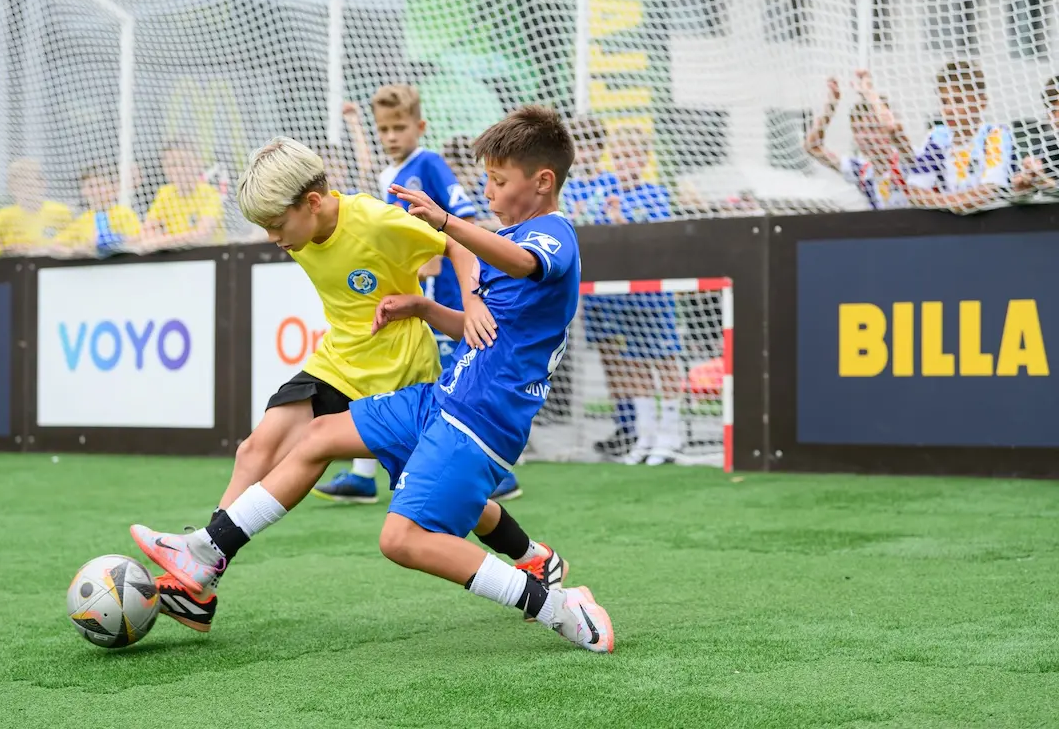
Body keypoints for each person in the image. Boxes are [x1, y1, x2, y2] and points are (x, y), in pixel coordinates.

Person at [131, 106, 613, 653]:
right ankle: (206, 552)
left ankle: (557, 605)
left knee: (402, 538)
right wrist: (423, 308)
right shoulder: (513, 236)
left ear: (543, 182)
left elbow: (519, 262)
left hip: (477, 423)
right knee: (318, 436)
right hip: (440, 400)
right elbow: (486, 333)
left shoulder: (553, 235)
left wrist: (447, 223)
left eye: (498, 181)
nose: (487, 190)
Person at [314, 83, 523, 505]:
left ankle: (492, 472)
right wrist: (355, 127)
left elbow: (464, 220)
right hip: (408, 292)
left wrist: (438, 255)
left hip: (446, 294)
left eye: (399, 128)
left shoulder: (430, 163)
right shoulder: (388, 175)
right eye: (384, 129)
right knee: (385, 379)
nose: (391, 136)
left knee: (451, 382)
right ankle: (363, 473)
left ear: (420, 127)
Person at [588, 125, 682, 464]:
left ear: (644, 160)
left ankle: (671, 434)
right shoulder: (603, 195)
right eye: (619, 156)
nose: (624, 163)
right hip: (621, 296)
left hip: (653, 294)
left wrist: (620, 218)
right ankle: (645, 436)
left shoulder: (655, 194)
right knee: (634, 364)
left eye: (632, 156)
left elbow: (655, 238)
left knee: (664, 360)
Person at [905, 61, 1016, 213]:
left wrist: (939, 201)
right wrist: (955, 203)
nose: (948, 110)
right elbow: (915, 192)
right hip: (949, 224)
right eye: (944, 102)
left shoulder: (995, 135)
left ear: (982, 103)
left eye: (958, 101)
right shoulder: (938, 137)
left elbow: (988, 191)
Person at [803, 70, 913, 210]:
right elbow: (812, 147)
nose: (864, 137)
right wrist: (830, 108)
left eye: (872, 128)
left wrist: (868, 92)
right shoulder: (862, 171)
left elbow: (893, 127)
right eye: (858, 130)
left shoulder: (906, 160)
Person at [0, 158, 71, 258]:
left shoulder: (60, 211)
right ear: (11, 189)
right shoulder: (3, 216)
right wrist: (8, 249)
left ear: (43, 184)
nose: (27, 192)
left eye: (30, 185)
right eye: (20, 187)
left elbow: (72, 242)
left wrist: (51, 248)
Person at [142, 141, 225, 248]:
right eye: (172, 165)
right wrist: (152, 237)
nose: (179, 170)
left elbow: (201, 235)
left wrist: (159, 241)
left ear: (198, 163)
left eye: (184, 163)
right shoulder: (164, 193)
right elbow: (147, 230)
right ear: (164, 169)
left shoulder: (211, 194)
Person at [51, 162, 142, 258]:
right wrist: (75, 251)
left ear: (112, 189)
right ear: (83, 191)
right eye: (90, 186)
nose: (95, 191)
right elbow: (55, 245)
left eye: (100, 185)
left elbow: (137, 238)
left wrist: (118, 241)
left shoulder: (123, 213)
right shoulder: (83, 219)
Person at [1012, 75, 1059, 198]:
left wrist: (1050, 185)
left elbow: (1049, 184)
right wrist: (1023, 189)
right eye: (1053, 109)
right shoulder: (1048, 148)